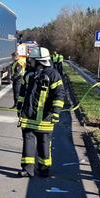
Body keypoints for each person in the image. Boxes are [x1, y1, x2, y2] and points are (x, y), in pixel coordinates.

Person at [15, 47, 65, 178]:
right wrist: (19, 108)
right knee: (28, 141)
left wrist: (56, 112)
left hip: (45, 117)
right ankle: (27, 169)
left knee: (44, 143)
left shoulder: (53, 75)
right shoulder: (28, 74)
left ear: (38, 61)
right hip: (28, 116)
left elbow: (59, 95)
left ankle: (44, 168)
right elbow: (23, 93)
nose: (29, 62)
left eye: (31, 60)